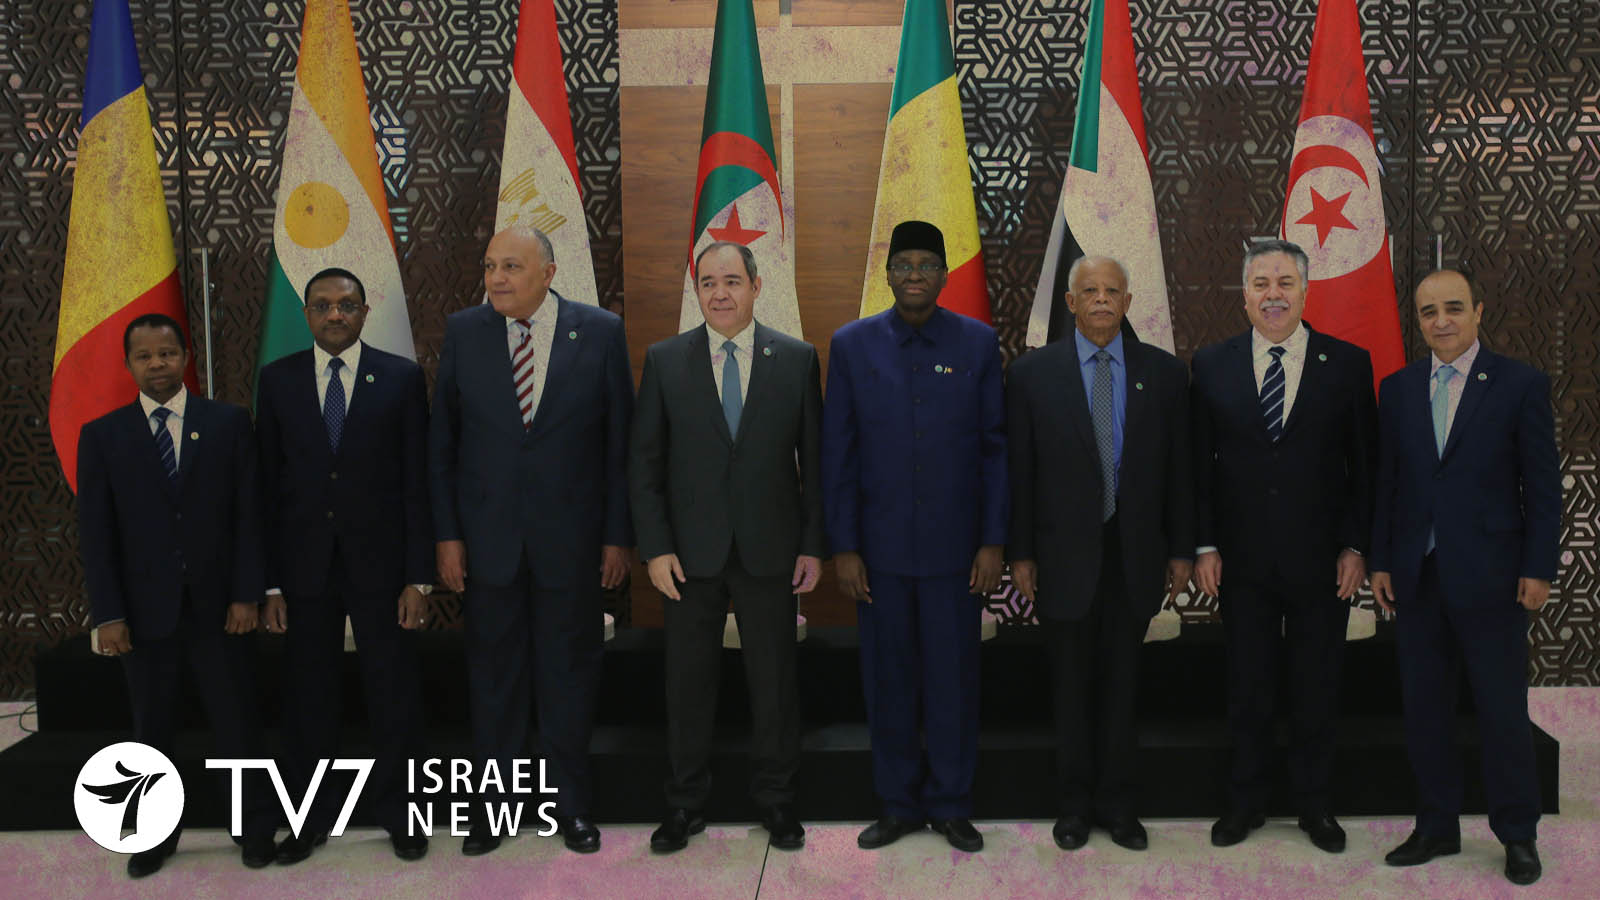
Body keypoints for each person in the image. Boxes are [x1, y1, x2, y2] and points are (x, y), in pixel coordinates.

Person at [429, 225, 634, 855]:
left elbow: (619, 447)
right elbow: (442, 447)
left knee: (568, 677)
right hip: (486, 545)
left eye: (511, 267)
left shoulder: (599, 331)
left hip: (572, 545)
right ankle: (492, 811)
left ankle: (570, 807)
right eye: (490, 266)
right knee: (494, 682)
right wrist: (447, 537)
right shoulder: (465, 332)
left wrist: (617, 537)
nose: (496, 278)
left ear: (548, 273)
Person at [630, 241, 824, 853]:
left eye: (732, 281)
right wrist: (656, 548)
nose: (720, 293)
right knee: (688, 685)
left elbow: (816, 467)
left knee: (774, 683)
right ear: (696, 289)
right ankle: (684, 804)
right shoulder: (665, 360)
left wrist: (812, 545)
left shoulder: (796, 359)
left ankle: (777, 802)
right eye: (708, 282)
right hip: (688, 557)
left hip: (772, 550)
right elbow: (644, 465)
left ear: (756, 286)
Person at [821, 220, 1007, 853]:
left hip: (958, 556)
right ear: (888, 273)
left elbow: (994, 449)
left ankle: (952, 804)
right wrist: (845, 547)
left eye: (928, 264)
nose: (916, 275)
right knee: (889, 683)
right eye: (905, 264)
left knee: (954, 683)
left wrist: (993, 541)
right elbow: (838, 454)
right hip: (879, 556)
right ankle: (898, 805)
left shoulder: (978, 343)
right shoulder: (852, 346)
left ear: (945, 276)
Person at [1370, 269, 1558, 886]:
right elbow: (1388, 483)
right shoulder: (1398, 389)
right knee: (1425, 710)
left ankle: (1518, 833)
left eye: (1453, 308)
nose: (1441, 320)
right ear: (1418, 320)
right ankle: (1436, 826)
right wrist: (1381, 559)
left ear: (1479, 311)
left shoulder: (1520, 384)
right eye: (1428, 312)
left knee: (1502, 711)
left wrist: (1538, 567)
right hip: (1417, 576)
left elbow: (1542, 485)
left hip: (1494, 578)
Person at [1190, 239, 1376, 853]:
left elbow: (1365, 465)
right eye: (1261, 284)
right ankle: (1244, 803)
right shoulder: (1210, 364)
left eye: (1285, 283)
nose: (1273, 294)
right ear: (1244, 295)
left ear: (1305, 291)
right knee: (1248, 686)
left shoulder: (1347, 364)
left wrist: (1356, 545)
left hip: (1324, 561)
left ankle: (1315, 807)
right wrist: (1205, 544)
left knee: (1316, 686)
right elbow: (1199, 466)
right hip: (1240, 561)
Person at [76, 313, 276, 876]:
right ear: (128, 365)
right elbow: (97, 534)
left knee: (238, 724)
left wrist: (247, 594)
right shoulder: (103, 435)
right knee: (152, 730)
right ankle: (155, 836)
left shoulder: (229, 423)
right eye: (144, 356)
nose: (156, 364)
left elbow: (249, 516)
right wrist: (108, 614)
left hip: (222, 609)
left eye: (166, 353)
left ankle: (254, 827)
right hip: (143, 615)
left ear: (185, 356)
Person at [1007, 256, 1193, 852]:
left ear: (1129, 302)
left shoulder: (1165, 375)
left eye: (1113, 291)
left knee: (1123, 687)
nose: (1102, 300)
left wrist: (1182, 549)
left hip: (1135, 555)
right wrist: (1020, 553)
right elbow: (1020, 472)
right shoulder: (1031, 375)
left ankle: (1119, 805)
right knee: (1070, 688)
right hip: (1062, 558)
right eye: (1090, 290)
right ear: (1070, 302)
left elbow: (1180, 471)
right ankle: (1073, 806)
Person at [256, 267, 431, 863]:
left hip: (383, 569)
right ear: (306, 313)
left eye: (347, 305)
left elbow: (417, 484)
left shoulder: (401, 378)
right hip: (303, 569)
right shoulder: (277, 380)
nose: (335, 314)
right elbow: (266, 487)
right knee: (308, 699)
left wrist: (418, 576)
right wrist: (270, 583)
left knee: (393, 695)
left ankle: (401, 815)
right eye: (323, 305)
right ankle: (309, 820)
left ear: (364, 312)